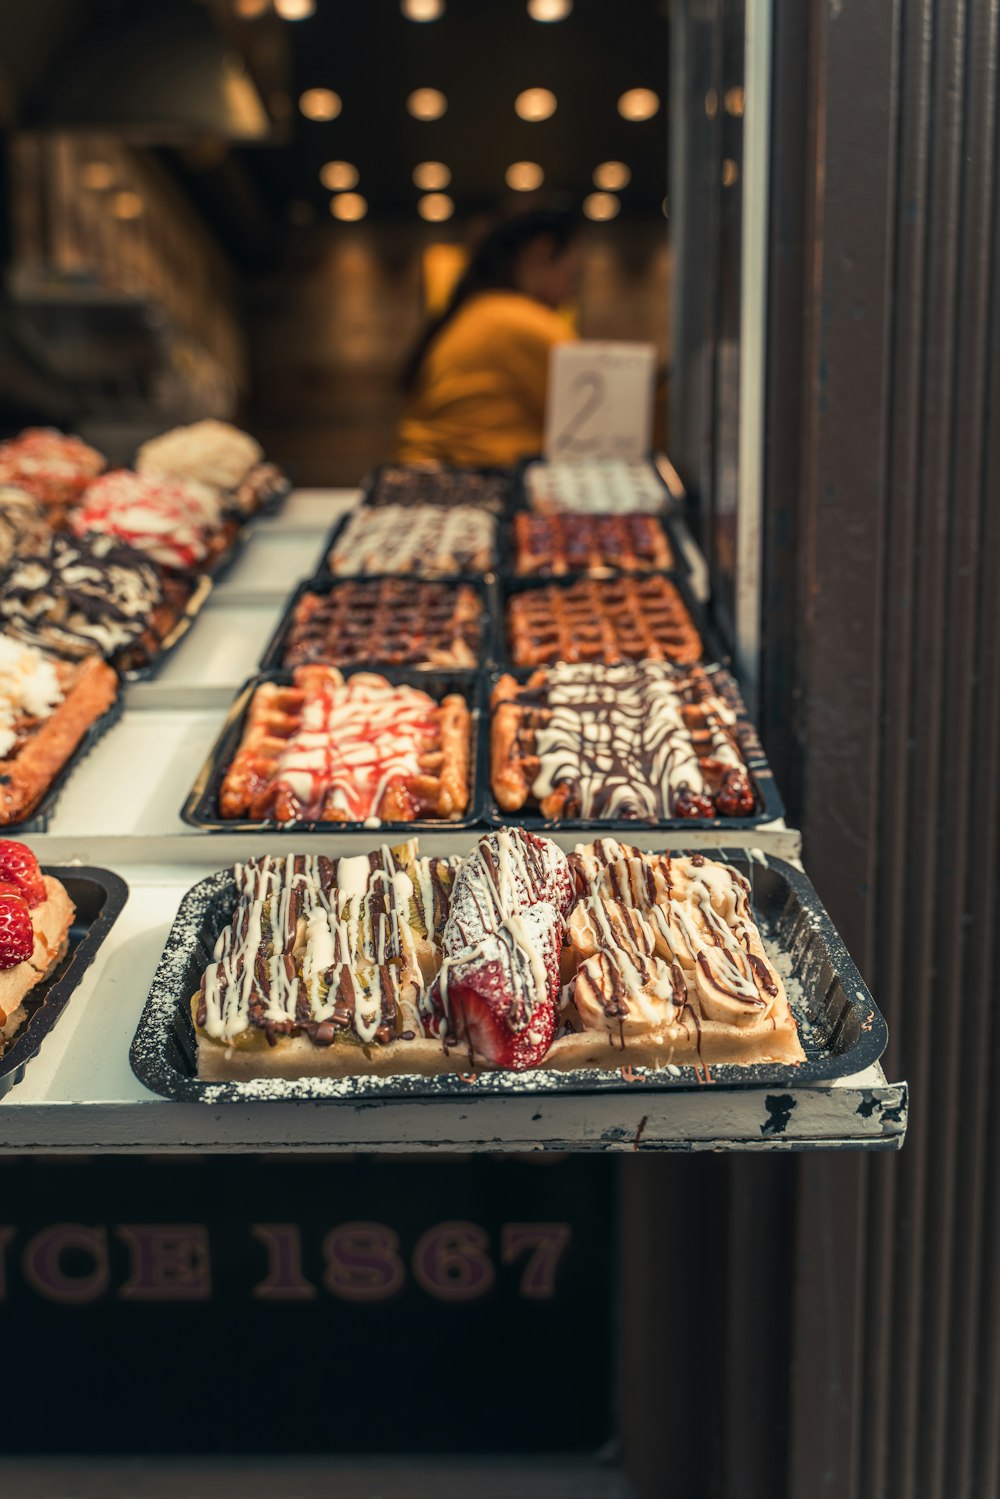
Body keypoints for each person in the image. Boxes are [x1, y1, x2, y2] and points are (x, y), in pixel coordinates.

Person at [396, 206, 580, 468]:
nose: (569, 294)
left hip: (426, 476)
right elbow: (597, 433)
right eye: (573, 277)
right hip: (473, 487)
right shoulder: (528, 323)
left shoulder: (475, 311)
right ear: (543, 253)